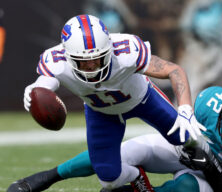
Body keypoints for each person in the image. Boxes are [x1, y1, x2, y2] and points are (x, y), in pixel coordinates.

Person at [21, 14, 204, 191]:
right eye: (83, 61)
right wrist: (37, 89)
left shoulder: (126, 51)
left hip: (144, 100)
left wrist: (185, 108)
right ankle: (135, 177)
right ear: (68, 58)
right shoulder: (56, 61)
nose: (91, 65)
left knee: (190, 140)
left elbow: (174, 70)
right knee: (109, 180)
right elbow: (46, 83)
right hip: (102, 113)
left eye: (97, 57)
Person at [9, 80, 222, 192]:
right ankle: (48, 177)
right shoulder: (210, 102)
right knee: (121, 155)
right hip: (186, 146)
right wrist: (195, 147)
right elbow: (184, 136)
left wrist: (209, 162)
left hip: (214, 175)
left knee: (186, 189)